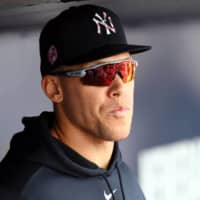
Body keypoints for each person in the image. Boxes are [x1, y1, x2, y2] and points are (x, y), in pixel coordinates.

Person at [0, 4, 151, 200]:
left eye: (126, 69)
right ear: (54, 89)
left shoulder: (123, 173)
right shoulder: (19, 190)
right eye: (100, 73)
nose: (119, 88)